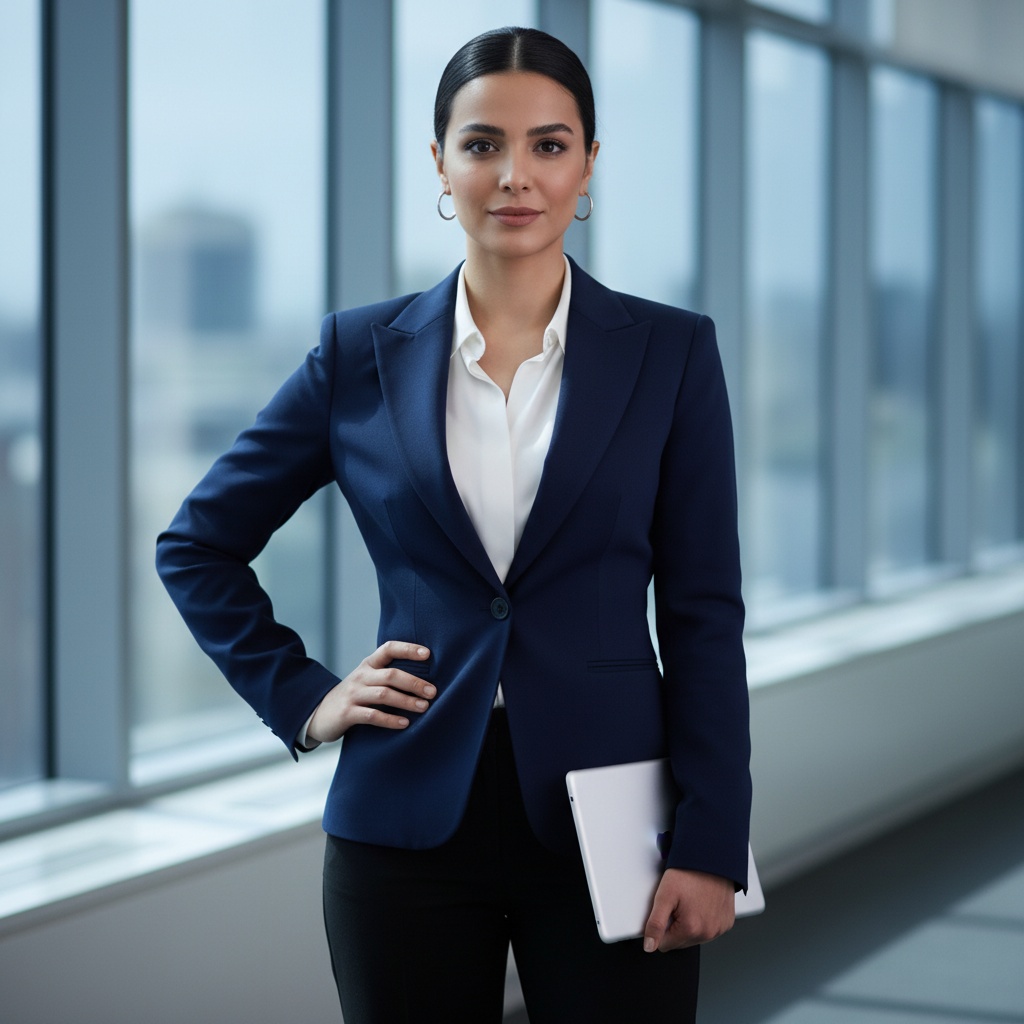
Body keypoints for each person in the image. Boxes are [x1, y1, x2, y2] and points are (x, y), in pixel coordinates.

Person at [156, 25, 751, 1024]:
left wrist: (712, 838)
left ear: (588, 164)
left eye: (549, 145)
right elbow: (197, 544)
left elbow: (703, 614)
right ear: (439, 161)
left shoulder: (672, 354)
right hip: (406, 810)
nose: (514, 175)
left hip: (615, 811)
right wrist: (305, 694)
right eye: (482, 144)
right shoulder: (358, 355)